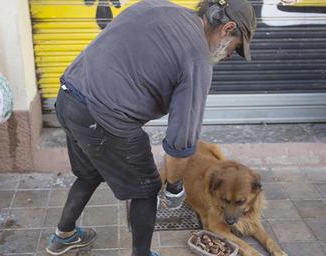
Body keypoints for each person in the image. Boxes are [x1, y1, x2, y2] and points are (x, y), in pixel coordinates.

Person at [46, 0, 256, 255]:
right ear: (227, 28)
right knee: (146, 190)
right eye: (236, 46)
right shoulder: (197, 60)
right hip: (103, 118)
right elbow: (180, 145)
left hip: (69, 97)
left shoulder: (158, 7)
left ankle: (64, 235)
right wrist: (175, 186)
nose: (231, 54)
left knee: (89, 174)